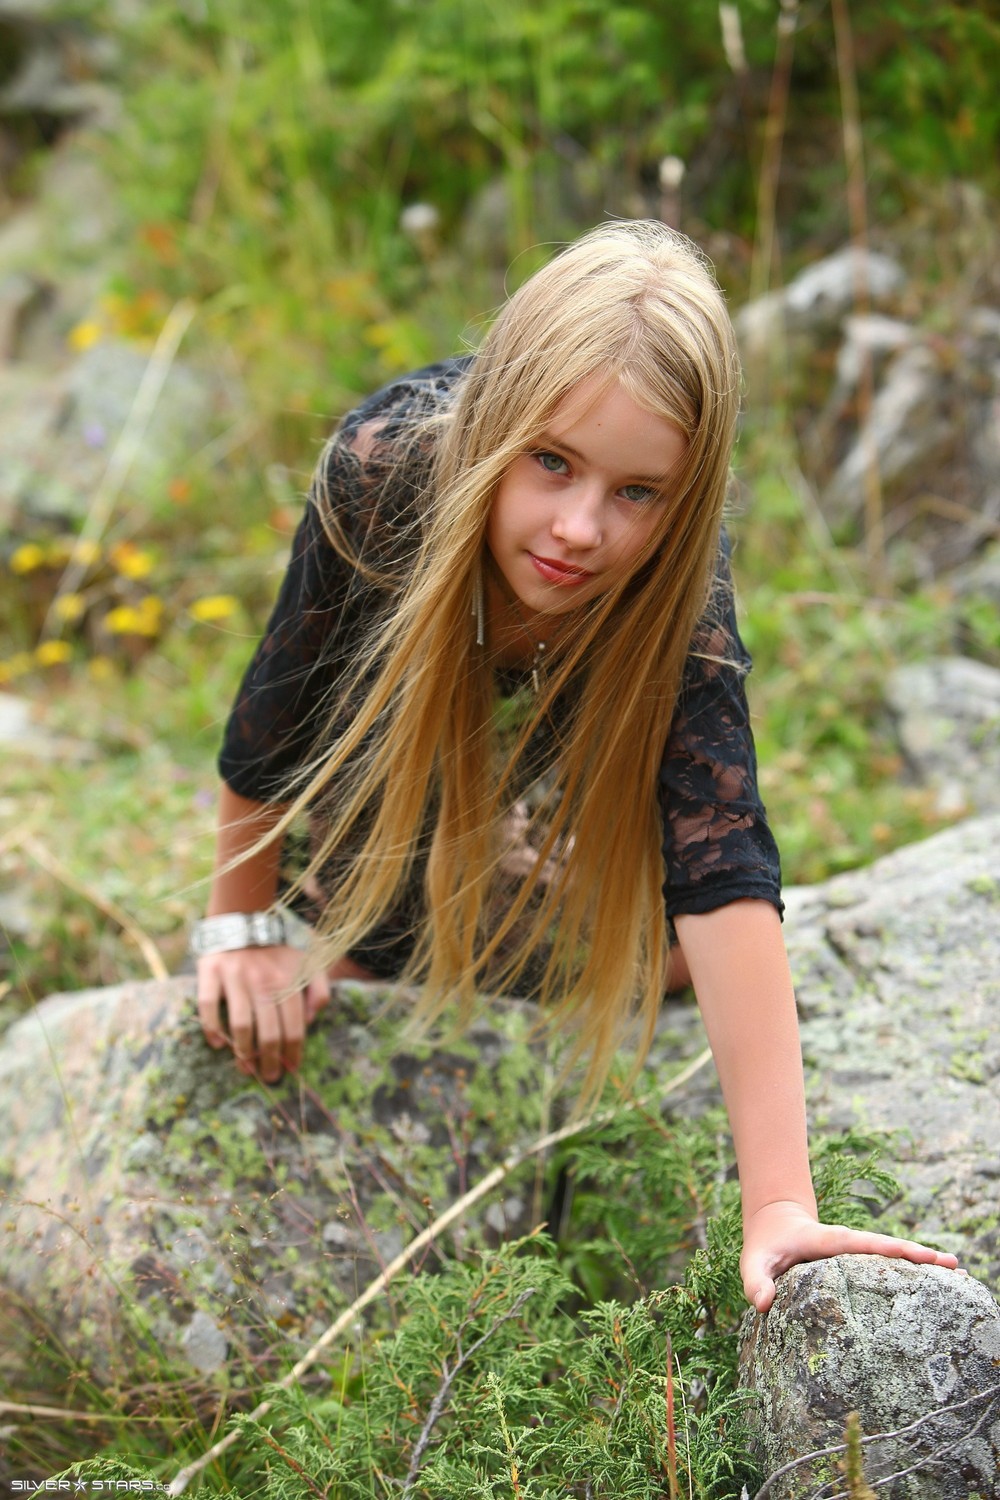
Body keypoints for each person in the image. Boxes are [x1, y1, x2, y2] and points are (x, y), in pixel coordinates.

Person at [192, 219, 959, 1311]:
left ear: (684, 499)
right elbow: (274, 716)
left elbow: (720, 856)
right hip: (394, 741)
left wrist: (781, 1203)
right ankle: (368, 919)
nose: (579, 528)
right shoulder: (384, 470)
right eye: (550, 462)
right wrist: (243, 929)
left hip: (561, 749)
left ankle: (502, 882)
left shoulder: (680, 583)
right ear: (496, 426)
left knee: (661, 959)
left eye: (637, 492)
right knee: (380, 948)